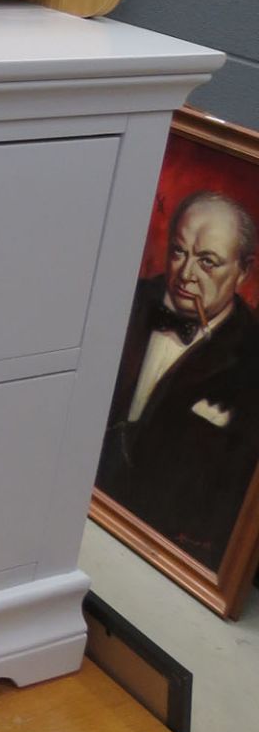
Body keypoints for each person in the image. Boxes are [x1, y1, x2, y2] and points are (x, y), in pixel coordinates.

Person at [97, 190, 259, 570]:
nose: (187, 274)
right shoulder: (123, 298)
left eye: (208, 262)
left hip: (163, 558)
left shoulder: (252, 357)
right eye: (178, 252)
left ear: (244, 270)